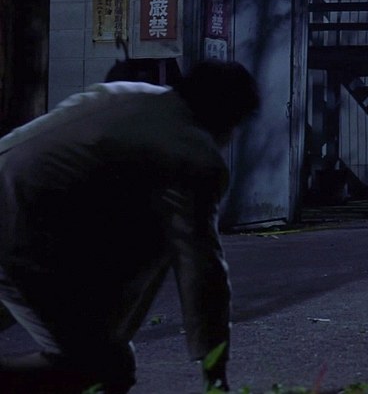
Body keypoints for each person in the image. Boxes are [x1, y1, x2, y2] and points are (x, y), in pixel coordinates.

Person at [0, 59, 259, 393]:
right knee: (108, 368)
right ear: (226, 117)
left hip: (17, 207)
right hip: (19, 232)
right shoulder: (193, 154)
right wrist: (215, 371)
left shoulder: (124, 94)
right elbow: (201, 268)